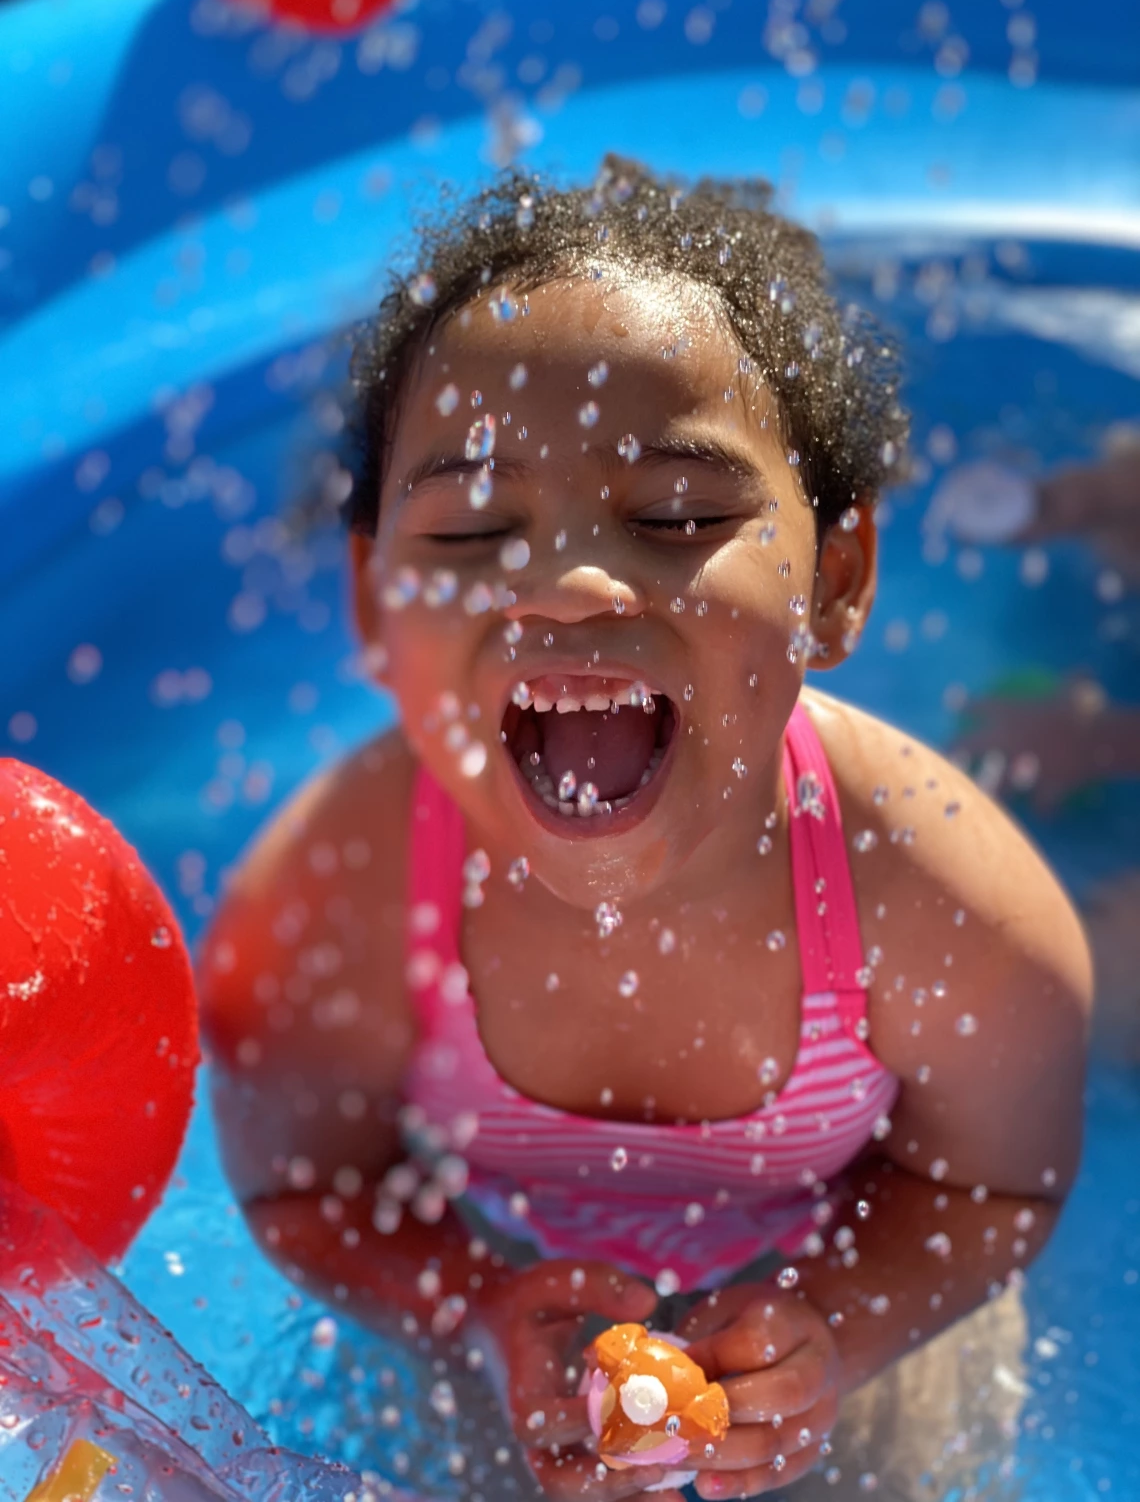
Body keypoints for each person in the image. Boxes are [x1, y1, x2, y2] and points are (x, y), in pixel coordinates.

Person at [198, 158, 1092, 1502]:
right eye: (479, 527)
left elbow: (989, 1194)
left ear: (836, 580)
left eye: (679, 515)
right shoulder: (338, 896)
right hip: (493, 1306)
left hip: (864, 1303)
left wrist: (839, 1327)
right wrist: (478, 1309)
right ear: (377, 609)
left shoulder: (945, 901)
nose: (566, 585)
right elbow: (304, 1195)